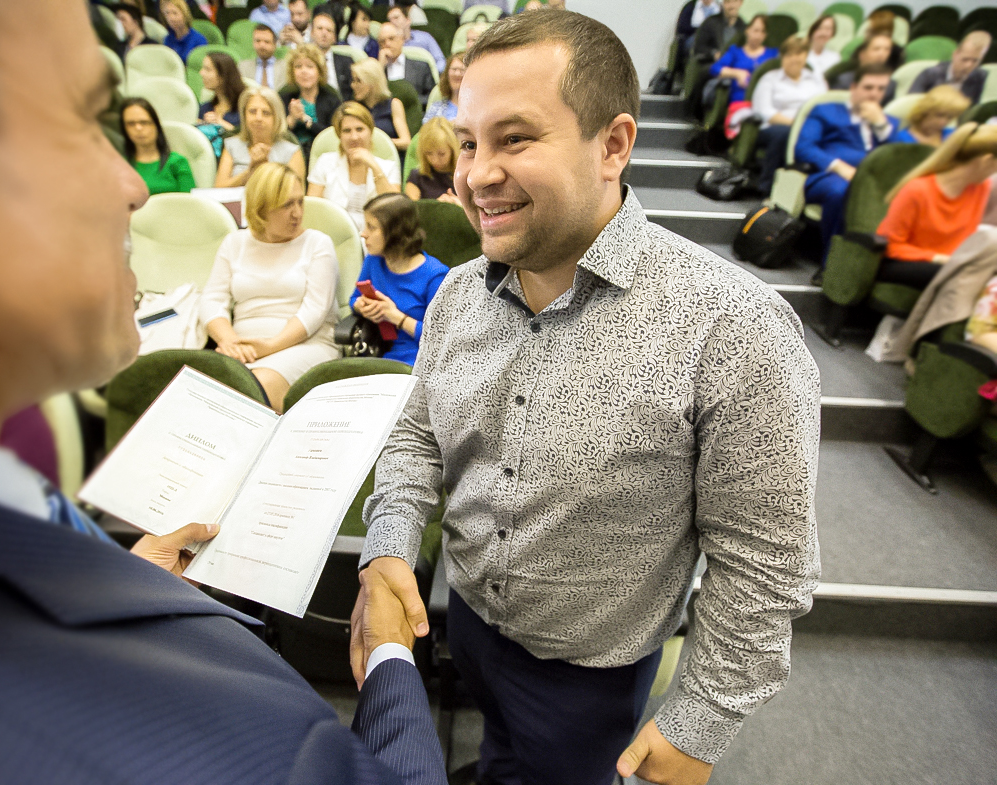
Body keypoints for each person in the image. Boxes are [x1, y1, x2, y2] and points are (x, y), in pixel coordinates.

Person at [0, 2, 448, 784]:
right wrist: (390, 651)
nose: (133, 184)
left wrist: (124, 577)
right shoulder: (257, 752)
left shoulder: (7, 523)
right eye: (79, 121)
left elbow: (310, 314)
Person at [350, 9, 819, 785]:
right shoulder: (456, 295)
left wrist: (701, 719)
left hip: (589, 673)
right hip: (468, 618)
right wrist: (389, 544)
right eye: (468, 142)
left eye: (514, 138)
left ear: (614, 145)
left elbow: (765, 561)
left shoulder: (734, 325)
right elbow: (417, 437)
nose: (475, 174)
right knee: (501, 753)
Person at [201, 163, 341, 408]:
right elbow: (212, 300)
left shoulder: (317, 244)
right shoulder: (234, 243)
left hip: (306, 344)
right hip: (243, 348)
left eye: (300, 202)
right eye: (287, 205)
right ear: (262, 208)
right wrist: (230, 342)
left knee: (256, 386)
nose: (297, 213)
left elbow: (315, 310)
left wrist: (268, 347)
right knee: (200, 390)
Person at [796, 63, 898, 261]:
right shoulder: (826, 111)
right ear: (853, 87)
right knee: (842, 190)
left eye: (881, 89)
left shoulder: (889, 122)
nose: (874, 94)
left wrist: (881, 125)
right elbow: (804, 148)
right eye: (868, 87)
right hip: (829, 177)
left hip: (874, 181)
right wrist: (839, 167)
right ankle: (832, 264)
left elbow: (899, 157)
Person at [877, 123, 997, 288]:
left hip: (949, 261)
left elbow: (964, 238)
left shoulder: (981, 187)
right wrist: (936, 258)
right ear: (986, 160)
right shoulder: (917, 190)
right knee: (956, 275)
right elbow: (891, 245)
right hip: (902, 261)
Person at [350, 194, 449, 366]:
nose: (363, 234)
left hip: (421, 361)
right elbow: (353, 300)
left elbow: (442, 338)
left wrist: (396, 317)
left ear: (395, 232)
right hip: (380, 354)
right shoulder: (373, 261)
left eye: (371, 227)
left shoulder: (435, 275)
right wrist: (362, 307)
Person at [750, 35, 827, 195]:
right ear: (782, 57)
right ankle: (767, 186)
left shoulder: (816, 80)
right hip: (773, 128)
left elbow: (825, 108)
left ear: (805, 56)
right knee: (784, 134)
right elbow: (765, 111)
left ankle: (810, 190)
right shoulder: (769, 79)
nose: (794, 59)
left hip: (809, 128)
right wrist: (796, 125)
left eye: (798, 54)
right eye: (789, 55)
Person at [307, 102, 401, 229]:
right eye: (347, 131)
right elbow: (312, 210)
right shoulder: (325, 162)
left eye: (360, 129)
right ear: (339, 135)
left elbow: (396, 212)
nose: (354, 137)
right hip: (333, 233)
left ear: (370, 131)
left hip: (377, 236)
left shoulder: (388, 167)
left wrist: (374, 166)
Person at [215, 87, 306, 187]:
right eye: (252, 111)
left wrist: (263, 170)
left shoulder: (291, 152)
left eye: (266, 113)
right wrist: (250, 171)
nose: (258, 118)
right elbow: (219, 189)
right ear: (244, 115)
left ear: (277, 118)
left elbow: (296, 193)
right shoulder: (232, 145)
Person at [278, 44, 343, 165]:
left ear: (320, 71)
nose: (304, 71)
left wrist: (305, 120)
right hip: (288, 158)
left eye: (310, 66)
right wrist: (291, 119)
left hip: (324, 158)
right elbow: (276, 135)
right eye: (298, 66)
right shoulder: (284, 98)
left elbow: (333, 136)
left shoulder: (332, 99)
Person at [120, 98, 197, 195]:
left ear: (156, 125)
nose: (138, 128)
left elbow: (190, 202)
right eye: (131, 124)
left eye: (144, 122)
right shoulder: (118, 165)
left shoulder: (177, 162)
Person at [909, 31, 993, 107]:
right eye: (965, 59)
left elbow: (973, 108)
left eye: (975, 61)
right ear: (955, 54)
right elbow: (911, 104)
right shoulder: (930, 74)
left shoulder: (980, 76)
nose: (968, 65)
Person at [708, 13, 777, 104]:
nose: (758, 36)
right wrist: (737, 73)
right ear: (747, 30)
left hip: (767, 101)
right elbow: (714, 69)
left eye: (763, 32)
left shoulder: (773, 53)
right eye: (755, 30)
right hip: (741, 102)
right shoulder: (735, 52)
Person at [351, 58, 412, 151]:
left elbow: (406, 142)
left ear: (372, 82)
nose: (353, 85)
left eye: (358, 81)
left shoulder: (394, 105)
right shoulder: (353, 108)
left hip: (389, 155)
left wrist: (381, 143)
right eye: (353, 80)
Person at [378, 22, 437, 106]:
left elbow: (432, 98)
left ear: (401, 39)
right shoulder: (378, 69)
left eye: (391, 39)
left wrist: (408, 102)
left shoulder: (421, 67)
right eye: (382, 42)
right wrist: (380, 67)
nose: (387, 44)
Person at [405, 117, 460, 203]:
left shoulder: (466, 176)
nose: (435, 160)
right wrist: (435, 206)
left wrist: (460, 205)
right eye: (429, 153)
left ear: (453, 150)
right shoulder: (417, 176)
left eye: (441, 154)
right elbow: (411, 208)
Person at [830, 33, 898, 103]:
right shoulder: (843, 80)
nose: (881, 54)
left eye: (887, 50)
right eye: (876, 49)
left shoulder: (890, 84)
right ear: (862, 54)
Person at [893, 85, 970, 147]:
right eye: (939, 115)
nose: (943, 122)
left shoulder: (953, 135)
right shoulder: (900, 140)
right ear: (925, 111)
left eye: (950, 117)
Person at [310, 8, 355, 100]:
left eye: (329, 30)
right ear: (312, 33)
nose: (324, 33)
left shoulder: (347, 62)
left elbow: (352, 92)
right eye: (320, 28)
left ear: (334, 38)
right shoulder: (304, 61)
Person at [386, 3, 446, 72]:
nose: (392, 22)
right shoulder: (388, 44)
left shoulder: (425, 37)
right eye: (390, 20)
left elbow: (440, 61)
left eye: (396, 18)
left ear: (408, 20)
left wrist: (431, 74)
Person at [197, 51, 245, 132]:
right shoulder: (205, 108)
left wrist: (221, 123)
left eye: (207, 69)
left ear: (223, 75)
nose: (201, 73)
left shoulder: (244, 110)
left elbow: (246, 136)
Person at [693, 0, 745, 65]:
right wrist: (714, 53)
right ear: (722, 4)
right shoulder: (710, 22)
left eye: (735, 1)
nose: (731, 6)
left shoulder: (743, 27)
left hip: (734, 66)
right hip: (710, 64)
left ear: (740, 2)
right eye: (728, 2)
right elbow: (698, 47)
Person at [423, 53, 465, 122]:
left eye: (462, 70)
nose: (457, 74)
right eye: (454, 69)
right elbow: (426, 128)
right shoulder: (436, 108)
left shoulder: (478, 109)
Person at [238, 23, 280, 88]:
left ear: (275, 44)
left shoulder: (286, 67)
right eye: (258, 41)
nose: (261, 45)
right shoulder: (243, 67)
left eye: (266, 42)